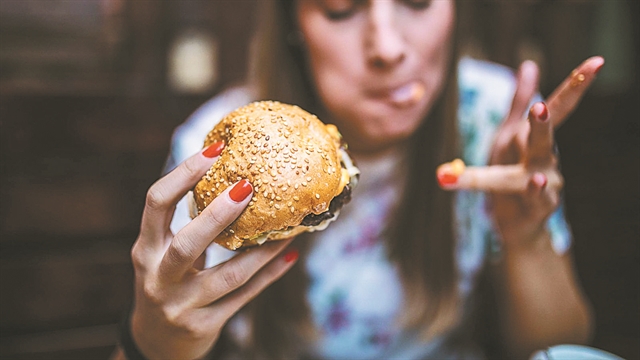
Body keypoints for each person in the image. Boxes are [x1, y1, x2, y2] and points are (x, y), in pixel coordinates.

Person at [113, 0, 603, 359]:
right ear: (294, 26)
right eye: (340, 9)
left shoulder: (498, 118)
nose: (387, 47)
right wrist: (158, 339)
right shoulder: (217, 154)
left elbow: (560, 349)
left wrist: (528, 240)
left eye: (416, 1)